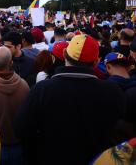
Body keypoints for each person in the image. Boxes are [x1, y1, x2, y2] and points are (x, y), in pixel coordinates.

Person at [16, 34, 126, 165]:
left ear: (64, 54)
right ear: (96, 62)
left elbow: (21, 128)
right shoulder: (113, 91)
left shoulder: (42, 89)